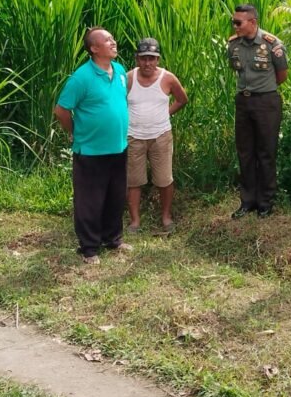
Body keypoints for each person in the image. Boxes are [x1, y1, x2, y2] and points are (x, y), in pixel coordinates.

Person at [53, 27, 132, 265]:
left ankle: (113, 238)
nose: (113, 42)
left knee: (115, 196)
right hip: (90, 150)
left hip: (118, 146)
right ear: (94, 48)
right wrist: (74, 132)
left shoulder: (119, 70)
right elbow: (61, 110)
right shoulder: (81, 77)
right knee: (90, 200)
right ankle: (89, 248)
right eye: (107, 40)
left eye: (112, 38)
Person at [227, 4, 288, 218]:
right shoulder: (233, 45)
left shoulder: (272, 44)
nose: (234, 26)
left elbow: (282, 75)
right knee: (245, 152)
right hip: (243, 102)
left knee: (266, 152)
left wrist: (263, 90)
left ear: (252, 22)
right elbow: (236, 70)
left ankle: (265, 202)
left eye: (238, 22)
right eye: (233, 22)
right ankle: (247, 201)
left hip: (266, 103)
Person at [126, 37, 189, 233]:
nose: (147, 63)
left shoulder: (168, 78)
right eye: (143, 58)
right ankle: (135, 220)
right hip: (133, 136)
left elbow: (182, 99)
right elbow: (119, 103)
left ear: (158, 59)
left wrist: (165, 114)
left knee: (164, 179)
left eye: (151, 58)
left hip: (160, 135)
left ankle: (166, 217)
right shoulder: (128, 78)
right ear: (137, 59)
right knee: (134, 180)